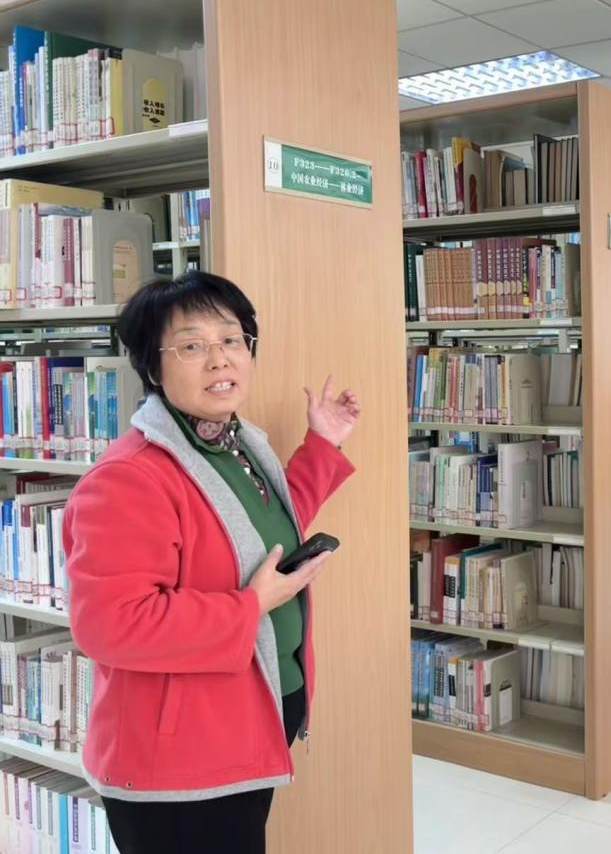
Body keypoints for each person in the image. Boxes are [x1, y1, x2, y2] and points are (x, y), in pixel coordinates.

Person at [64, 272, 361, 854]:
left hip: (249, 720)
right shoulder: (129, 477)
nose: (219, 359)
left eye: (231, 339)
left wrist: (323, 444)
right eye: (192, 345)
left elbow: (255, 532)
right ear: (153, 368)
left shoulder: (236, 442)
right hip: (178, 761)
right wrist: (251, 607)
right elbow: (109, 624)